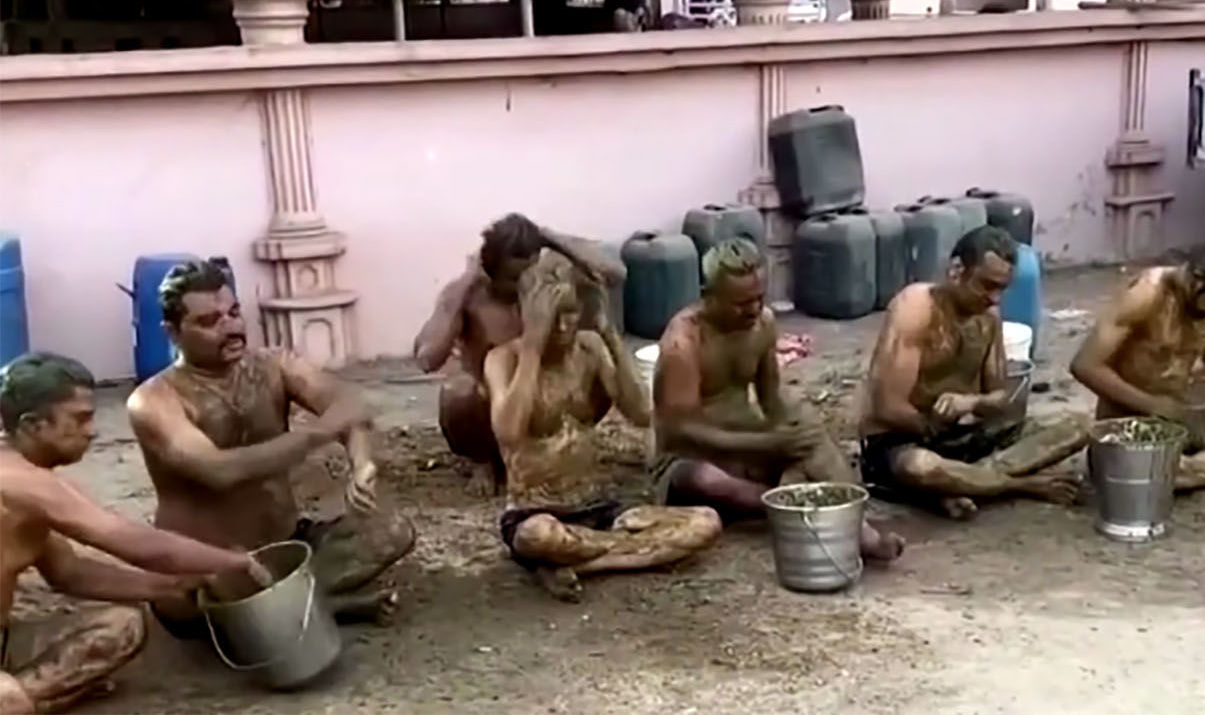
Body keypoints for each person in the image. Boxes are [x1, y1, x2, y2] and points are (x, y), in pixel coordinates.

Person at [126, 260, 414, 637]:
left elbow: (347, 403)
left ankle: (285, 609)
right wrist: (315, 435)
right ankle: (320, 608)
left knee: (391, 531)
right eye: (209, 321)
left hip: (286, 542)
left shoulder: (274, 365)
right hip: (209, 562)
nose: (230, 327)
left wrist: (362, 462)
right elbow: (220, 471)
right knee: (189, 596)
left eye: (233, 313)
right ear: (173, 333)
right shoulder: (153, 401)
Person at [1, 352, 255, 715]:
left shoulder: (26, 484)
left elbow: (70, 573)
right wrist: (233, 562)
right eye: (80, 418)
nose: (92, 431)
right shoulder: (21, 481)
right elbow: (136, 544)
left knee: (122, 627)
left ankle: (24, 698)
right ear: (33, 425)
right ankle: (21, 700)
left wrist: (175, 586)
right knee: (11, 698)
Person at [483, 251, 721, 601]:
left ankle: (585, 564)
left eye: (570, 313)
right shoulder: (504, 359)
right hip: (537, 512)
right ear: (523, 315)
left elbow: (641, 413)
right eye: (551, 318)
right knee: (539, 537)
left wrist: (608, 331)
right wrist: (532, 347)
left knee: (705, 522)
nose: (562, 327)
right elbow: (509, 433)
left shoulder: (589, 348)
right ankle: (625, 553)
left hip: (599, 508)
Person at [653, 238, 904, 561]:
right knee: (709, 481)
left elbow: (770, 397)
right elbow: (678, 431)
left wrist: (795, 431)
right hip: (690, 457)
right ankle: (794, 505)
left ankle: (857, 527)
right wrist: (767, 444)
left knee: (810, 436)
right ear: (709, 295)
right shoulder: (684, 342)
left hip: (746, 440)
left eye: (760, 298)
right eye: (741, 303)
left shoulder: (763, 324)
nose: (753, 309)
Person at [859, 226, 1088, 520]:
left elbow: (1001, 398)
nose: (995, 298)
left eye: (1002, 289)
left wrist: (972, 403)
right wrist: (934, 425)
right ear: (957, 270)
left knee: (1080, 426)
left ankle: (960, 483)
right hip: (905, 439)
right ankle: (1016, 485)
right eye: (987, 285)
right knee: (920, 467)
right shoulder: (916, 306)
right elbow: (887, 407)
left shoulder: (988, 318)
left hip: (963, 438)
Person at [414, 213, 626, 497]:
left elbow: (616, 274)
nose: (525, 284)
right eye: (514, 278)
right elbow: (427, 359)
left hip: (549, 406)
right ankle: (484, 460)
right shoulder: (471, 296)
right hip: (496, 412)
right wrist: (464, 284)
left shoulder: (546, 287)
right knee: (459, 392)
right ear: (493, 273)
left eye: (529, 273)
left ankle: (562, 446)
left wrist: (549, 237)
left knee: (599, 367)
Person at [1070, 252, 1205, 491]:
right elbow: (1085, 365)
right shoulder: (1147, 294)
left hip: (1183, 425)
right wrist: (1154, 406)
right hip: (1131, 433)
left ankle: (1183, 469)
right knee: (1143, 475)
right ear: (1197, 280)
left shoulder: (1198, 307)